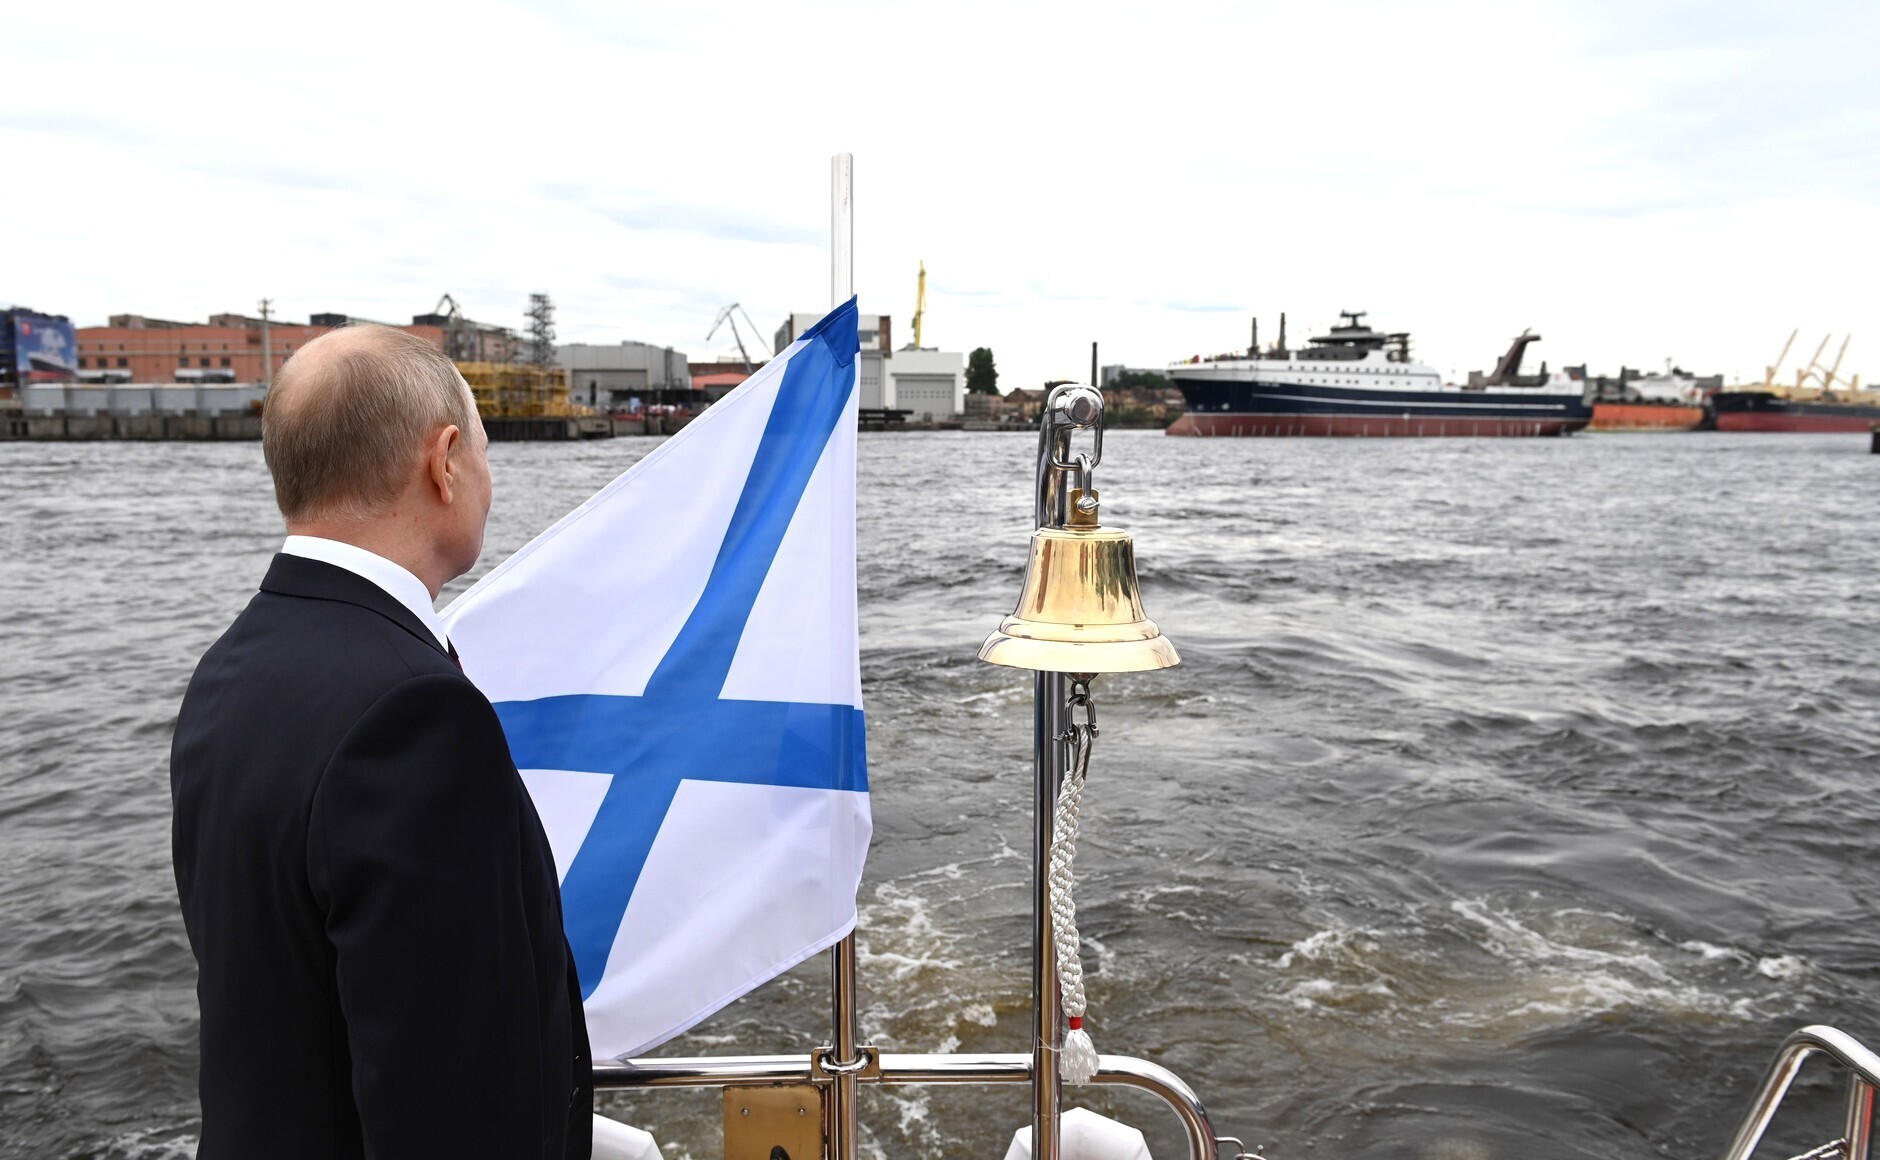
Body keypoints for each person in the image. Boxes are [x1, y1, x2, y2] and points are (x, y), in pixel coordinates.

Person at [170, 325, 592, 1159]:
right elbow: (455, 1094)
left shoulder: (230, 668)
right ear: (444, 462)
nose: (486, 476)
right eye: (481, 450)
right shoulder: (416, 712)